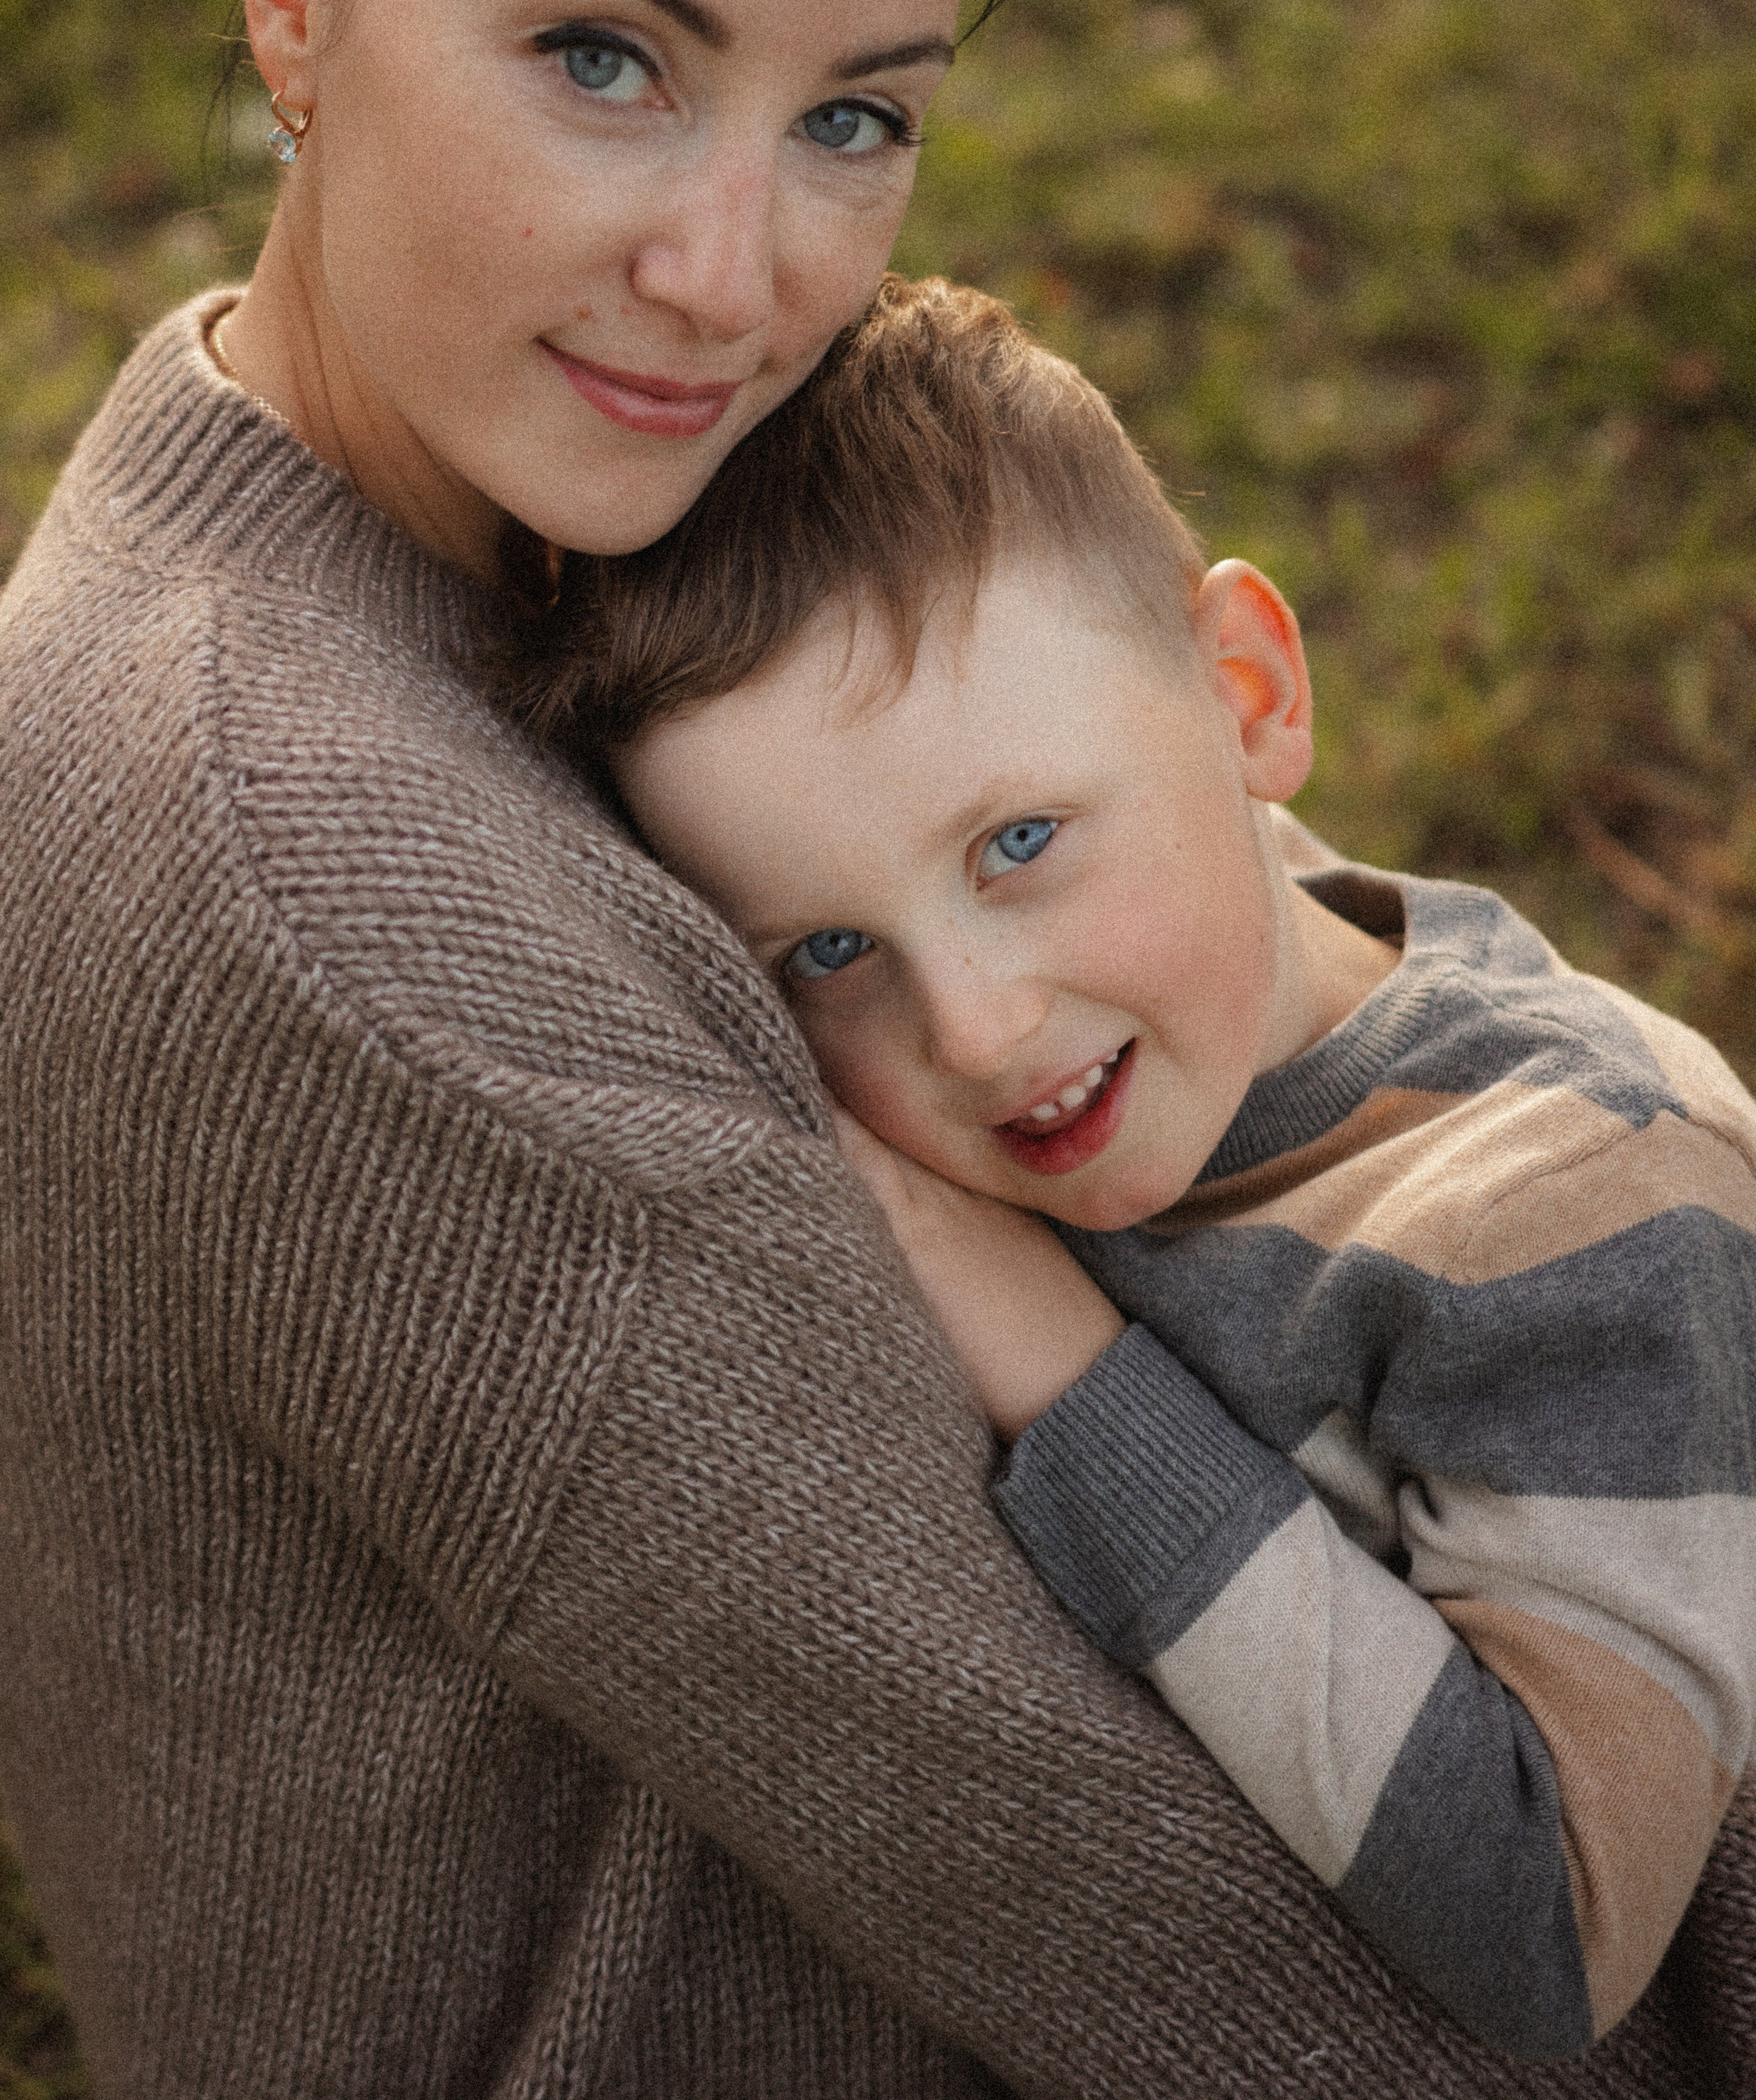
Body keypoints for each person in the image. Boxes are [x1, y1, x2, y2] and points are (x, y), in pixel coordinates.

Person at [0, 0, 1746, 2091]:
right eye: (604, 59)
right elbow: (1279, 2013)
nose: (732, 277)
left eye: (855, 114)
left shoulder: (397, 493)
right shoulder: (319, 888)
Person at [539, 276, 1756, 2068]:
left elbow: (1553, 1922)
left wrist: (1070, 1375)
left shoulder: (1579, 1224)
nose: (967, 1027)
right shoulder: (1171, 953)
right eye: (823, 953)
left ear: (1246, 697)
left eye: (1016, 843)